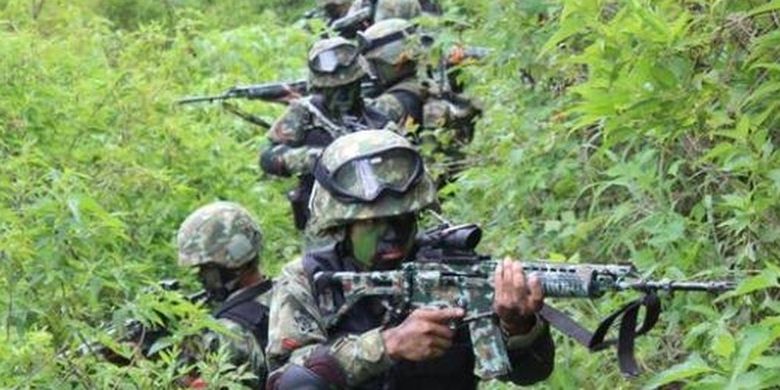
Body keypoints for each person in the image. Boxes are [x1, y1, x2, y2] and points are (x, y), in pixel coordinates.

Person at [265, 130, 555, 389]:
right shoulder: (307, 279)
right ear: (342, 226)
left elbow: (531, 374)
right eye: (374, 223)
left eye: (404, 219)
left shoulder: (451, 269)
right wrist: (388, 345)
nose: (392, 235)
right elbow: (288, 381)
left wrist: (519, 328)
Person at [259, 37, 389, 231]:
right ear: (320, 87)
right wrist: (313, 158)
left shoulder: (376, 119)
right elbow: (268, 156)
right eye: (333, 90)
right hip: (321, 218)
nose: (342, 95)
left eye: (348, 87)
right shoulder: (304, 113)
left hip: (373, 215)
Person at [359, 18, 481, 181]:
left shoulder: (404, 96)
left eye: (375, 64)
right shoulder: (428, 81)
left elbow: (365, 122)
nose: (372, 72)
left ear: (395, 61)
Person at [176, 201, 274, 387]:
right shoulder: (286, 292)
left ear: (233, 261)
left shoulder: (228, 332)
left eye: (206, 268)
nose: (201, 277)